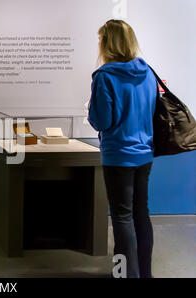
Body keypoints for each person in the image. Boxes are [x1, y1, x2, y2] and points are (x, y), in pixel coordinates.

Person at [87, 19, 157, 278]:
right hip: (144, 154)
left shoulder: (105, 76)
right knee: (141, 214)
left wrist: (91, 112)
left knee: (122, 218)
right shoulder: (148, 72)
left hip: (118, 156)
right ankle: (144, 274)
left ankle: (125, 275)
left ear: (108, 43)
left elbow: (102, 121)